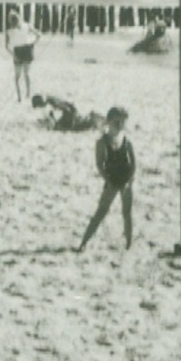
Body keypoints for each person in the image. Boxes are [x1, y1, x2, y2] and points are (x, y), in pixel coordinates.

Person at [79, 107, 135, 251]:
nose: (120, 125)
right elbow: (100, 164)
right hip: (112, 180)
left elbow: (133, 163)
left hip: (125, 178)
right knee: (101, 212)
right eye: (118, 122)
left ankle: (129, 243)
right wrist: (108, 181)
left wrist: (130, 181)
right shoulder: (102, 141)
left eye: (122, 122)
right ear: (110, 122)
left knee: (127, 213)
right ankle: (84, 242)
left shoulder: (125, 139)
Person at [5, 11, 39, 102]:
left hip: (18, 52)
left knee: (17, 77)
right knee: (27, 74)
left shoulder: (9, 31)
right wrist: (32, 44)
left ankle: (20, 97)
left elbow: (6, 47)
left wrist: (13, 55)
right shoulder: (27, 26)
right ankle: (28, 94)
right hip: (27, 50)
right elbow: (38, 35)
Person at [32, 94, 99, 132]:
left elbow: (68, 109)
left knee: (61, 128)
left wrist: (71, 123)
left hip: (70, 114)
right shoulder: (50, 100)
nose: (41, 108)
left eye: (39, 106)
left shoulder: (53, 102)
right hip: (69, 113)